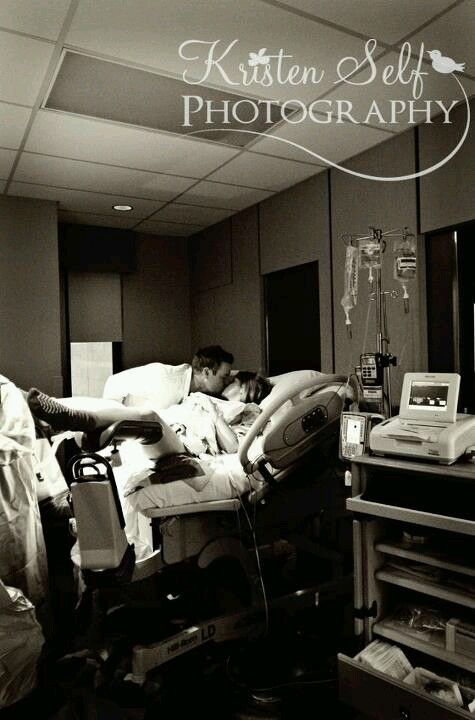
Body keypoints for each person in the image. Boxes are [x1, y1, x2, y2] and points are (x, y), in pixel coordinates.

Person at [26, 371, 272, 456]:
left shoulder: (247, 410)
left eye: (231, 380)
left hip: (186, 443)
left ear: (243, 389)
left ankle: (83, 420)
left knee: (148, 416)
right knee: (123, 411)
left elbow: (233, 448)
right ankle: (51, 421)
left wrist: (215, 415)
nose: (226, 381)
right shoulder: (207, 397)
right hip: (174, 424)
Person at [102, 345, 234, 409]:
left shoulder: (199, 396)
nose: (228, 381)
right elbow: (114, 383)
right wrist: (114, 425)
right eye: (225, 377)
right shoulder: (162, 376)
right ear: (206, 372)